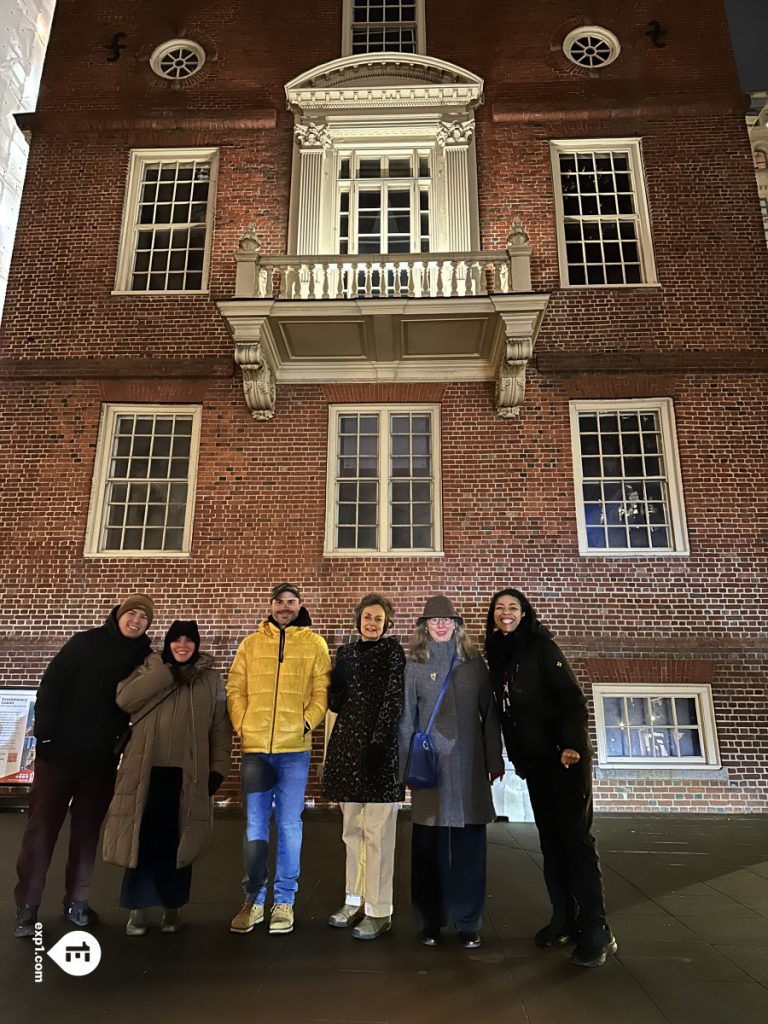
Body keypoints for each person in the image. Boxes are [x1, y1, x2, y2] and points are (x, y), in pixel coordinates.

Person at [484, 588, 617, 968]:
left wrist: (571, 745)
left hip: (565, 760)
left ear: (525, 614)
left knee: (575, 841)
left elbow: (572, 699)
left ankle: (597, 929)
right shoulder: (500, 654)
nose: (505, 613)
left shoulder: (542, 648)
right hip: (536, 763)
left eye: (513, 607)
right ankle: (565, 917)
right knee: (551, 843)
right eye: (499, 608)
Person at [13, 594, 154, 938]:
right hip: (58, 756)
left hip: (100, 763)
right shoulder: (84, 643)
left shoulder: (144, 659)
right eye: (132, 614)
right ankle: (27, 906)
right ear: (119, 615)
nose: (136, 621)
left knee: (87, 835)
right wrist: (45, 738)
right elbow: (52, 686)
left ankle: (76, 901)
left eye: (144, 618)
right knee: (41, 831)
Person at [102, 620, 232, 935]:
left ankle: (172, 906)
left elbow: (220, 728)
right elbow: (125, 700)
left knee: (178, 842)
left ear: (197, 644)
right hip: (146, 771)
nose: (183, 645)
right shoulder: (150, 667)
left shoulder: (210, 680)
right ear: (168, 643)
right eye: (177, 640)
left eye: (189, 640)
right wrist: (165, 671)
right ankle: (137, 908)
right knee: (142, 839)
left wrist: (218, 769)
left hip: (186, 775)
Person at [398, 595, 503, 949]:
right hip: (431, 771)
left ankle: (468, 920)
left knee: (470, 851)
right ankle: (430, 920)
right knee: (428, 850)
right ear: (424, 626)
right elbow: (406, 722)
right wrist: (403, 769)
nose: (441, 625)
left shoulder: (475, 664)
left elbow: (490, 716)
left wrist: (494, 759)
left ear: (457, 625)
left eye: (447, 620)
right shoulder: (414, 665)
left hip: (470, 768)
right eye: (434, 620)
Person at [226, 583, 330, 936]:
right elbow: (235, 687)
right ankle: (253, 901)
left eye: (291, 602)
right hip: (256, 750)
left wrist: (305, 723)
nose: (284, 607)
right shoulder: (251, 644)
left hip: (294, 752)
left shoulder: (315, 645)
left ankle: (284, 900)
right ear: (270, 605)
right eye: (279, 602)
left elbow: (322, 691)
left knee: (289, 826)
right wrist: (243, 724)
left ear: (300, 605)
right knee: (255, 827)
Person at [322, 593, 405, 940]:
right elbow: (338, 704)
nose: (372, 623)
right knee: (351, 830)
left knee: (378, 834)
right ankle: (354, 899)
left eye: (378, 618)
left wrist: (378, 742)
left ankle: (378, 909)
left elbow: (393, 698)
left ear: (386, 624)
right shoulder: (346, 653)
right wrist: (335, 687)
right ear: (358, 620)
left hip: (378, 753)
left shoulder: (392, 652)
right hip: (346, 751)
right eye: (367, 617)